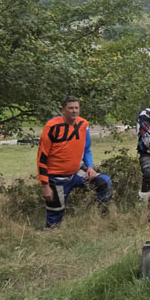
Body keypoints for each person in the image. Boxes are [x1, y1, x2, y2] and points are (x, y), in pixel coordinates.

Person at [37, 96, 112, 228]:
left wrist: (90, 167)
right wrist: (45, 185)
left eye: (76, 108)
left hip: (76, 173)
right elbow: (42, 158)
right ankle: (51, 233)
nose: (74, 111)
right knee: (54, 219)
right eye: (70, 108)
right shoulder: (52, 127)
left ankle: (99, 219)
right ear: (63, 110)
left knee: (104, 182)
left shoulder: (83, 125)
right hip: (55, 178)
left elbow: (86, 150)